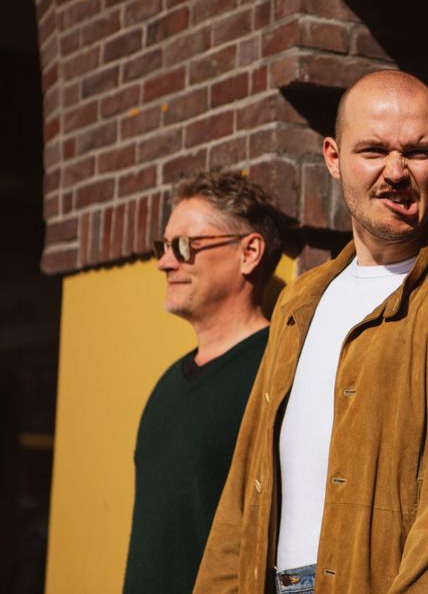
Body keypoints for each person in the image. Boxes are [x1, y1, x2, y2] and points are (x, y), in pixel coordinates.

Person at [194, 70, 428, 594]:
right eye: (373, 150)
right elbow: (244, 490)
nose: (396, 171)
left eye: (418, 152)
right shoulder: (299, 301)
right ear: (333, 157)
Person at [124, 169, 284, 594]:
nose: (164, 262)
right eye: (163, 247)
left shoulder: (278, 374)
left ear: (249, 252)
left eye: (184, 246)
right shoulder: (166, 387)